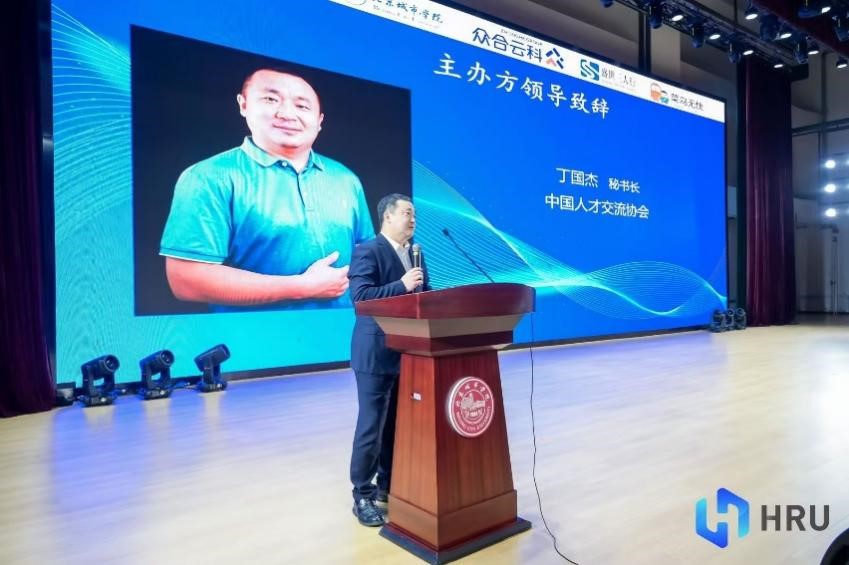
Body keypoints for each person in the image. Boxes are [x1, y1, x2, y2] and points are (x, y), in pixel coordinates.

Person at [159, 68, 374, 312]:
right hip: (254, 335)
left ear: (319, 120)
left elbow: (366, 254)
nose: (287, 114)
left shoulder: (346, 179)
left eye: (302, 106)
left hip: (342, 331)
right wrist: (301, 287)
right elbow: (185, 281)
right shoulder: (208, 176)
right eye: (271, 99)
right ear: (243, 105)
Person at [348, 193, 431, 527]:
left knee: (396, 424)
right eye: (408, 213)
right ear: (388, 217)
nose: (413, 220)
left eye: (415, 214)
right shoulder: (367, 250)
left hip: (408, 354)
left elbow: (424, 299)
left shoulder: (416, 254)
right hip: (375, 352)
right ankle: (362, 495)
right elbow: (361, 298)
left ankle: (388, 486)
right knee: (372, 425)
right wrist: (401, 284)